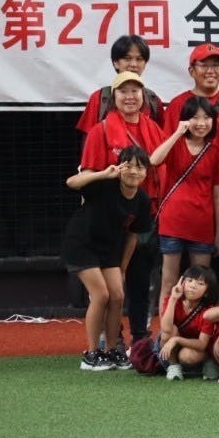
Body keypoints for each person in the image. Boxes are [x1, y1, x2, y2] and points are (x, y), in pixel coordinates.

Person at [78, 71, 167, 343]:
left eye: (135, 91)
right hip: (110, 220)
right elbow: (87, 175)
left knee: (141, 281)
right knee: (109, 287)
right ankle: (110, 338)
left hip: (146, 217)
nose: (130, 97)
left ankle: (140, 338)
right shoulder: (100, 130)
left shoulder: (154, 129)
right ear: (113, 97)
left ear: (143, 96)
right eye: (123, 91)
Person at [63, 145, 153, 371]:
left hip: (110, 249)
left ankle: (112, 350)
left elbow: (133, 236)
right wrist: (103, 173)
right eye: (128, 166)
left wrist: (122, 268)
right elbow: (71, 182)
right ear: (119, 168)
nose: (134, 172)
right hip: (82, 243)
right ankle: (92, 353)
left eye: (140, 167)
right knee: (101, 295)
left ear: (146, 172)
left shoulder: (143, 200)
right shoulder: (104, 185)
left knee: (118, 295)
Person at [148, 96, 219, 308]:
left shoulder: (215, 153)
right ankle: (167, 327)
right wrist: (177, 132)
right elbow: (154, 160)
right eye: (195, 117)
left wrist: (218, 234)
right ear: (185, 119)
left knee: (202, 285)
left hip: (202, 225)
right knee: (169, 282)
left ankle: (198, 327)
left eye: (206, 117)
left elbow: (218, 196)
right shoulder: (176, 145)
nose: (201, 123)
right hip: (173, 223)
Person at [76, 35, 164, 135]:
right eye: (127, 58)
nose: (133, 64)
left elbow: (161, 139)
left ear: (145, 64)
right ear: (116, 63)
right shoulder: (99, 99)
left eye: (139, 59)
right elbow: (89, 139)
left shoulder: (153, 101)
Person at [156, 265, 218, 381]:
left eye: (200, 283)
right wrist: (173, 299)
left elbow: (202, 344)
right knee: (171, 330)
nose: (193, 286)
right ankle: (173, 366)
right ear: (182, 282)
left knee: (186, 356)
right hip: (169, 347)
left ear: (207, 292)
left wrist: (177, 340)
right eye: (189, 280)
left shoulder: (208, 311)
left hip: (194, 348)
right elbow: (166, 329)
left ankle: (206, 362)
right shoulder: (172, 300)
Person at [165, 43, 219, 135]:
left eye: (216, 65)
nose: (210, 71)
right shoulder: (177, 105)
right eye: (204, 66)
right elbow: (168, 141)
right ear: (192, 71)